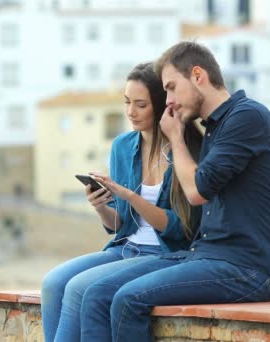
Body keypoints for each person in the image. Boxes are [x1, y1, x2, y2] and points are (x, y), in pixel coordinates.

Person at [79, 41, 270, 341]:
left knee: (127, 300)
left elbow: (196, 192)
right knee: (98, 293)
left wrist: (175, 137)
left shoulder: (247, 117)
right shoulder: (216, 128)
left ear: (198, 76)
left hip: (247, 268)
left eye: (172, 88)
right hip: (204, 256)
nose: (170, 101)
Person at [41, 62, 203, 342]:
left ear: (162, 105)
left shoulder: (185, 151)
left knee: (80, 288)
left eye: (141, 104)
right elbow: (119, 224)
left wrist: (131, 196)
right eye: (127, 102)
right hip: (125, 249)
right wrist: (101, 206)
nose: (130, 112)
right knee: (53, 283)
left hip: (166, 254)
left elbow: (181, 229)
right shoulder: (122, 146)